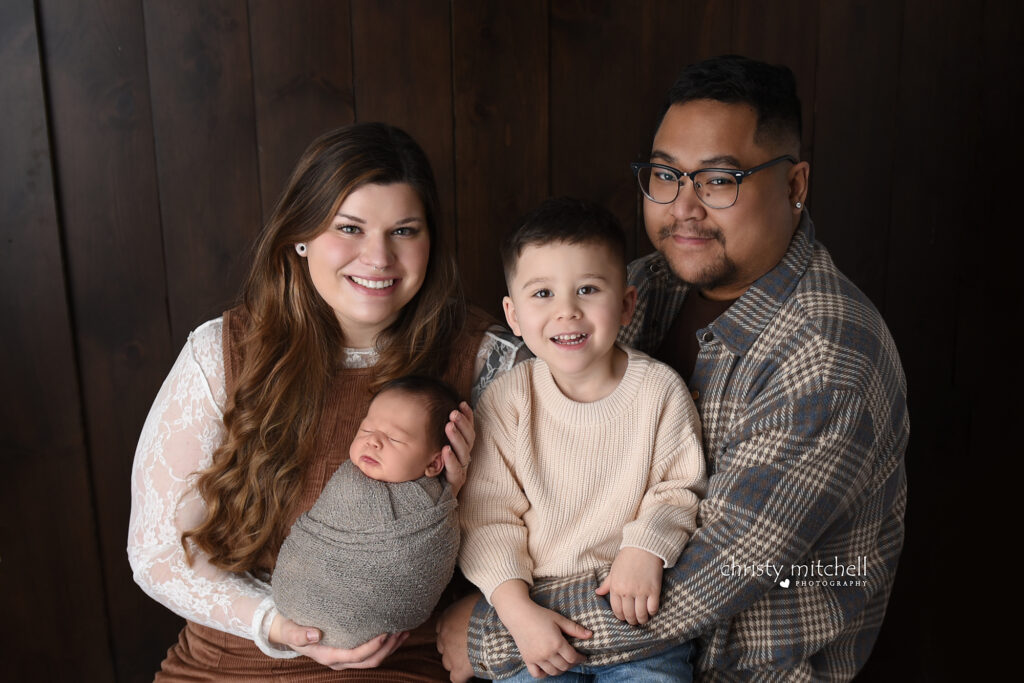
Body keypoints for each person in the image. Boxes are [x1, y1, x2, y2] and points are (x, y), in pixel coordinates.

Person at [438, 55, 909, 681]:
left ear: (795, 185)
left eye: (719, 181)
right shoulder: (636, 286)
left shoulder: (827, 360)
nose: (683, 207)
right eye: (665, 175)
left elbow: (705, 582)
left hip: (743, 667)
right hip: (580, 648)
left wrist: (487, 634)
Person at [128, 122, 523, 681]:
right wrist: (277, 627)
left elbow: (549, 530)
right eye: (350, 228)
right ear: (302, 234)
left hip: (398, 662)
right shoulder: (223, 353)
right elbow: (158, 554)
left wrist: (445, 511)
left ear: (430, 242)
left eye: (404, 230)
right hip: (233, 661)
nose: (378, 256)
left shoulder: (484, 360)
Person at [458, 198, 707, 681]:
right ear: (513, 315)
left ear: (627, 304)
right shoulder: (510, 399)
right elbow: (487, 517)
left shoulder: (658, 391)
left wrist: (647, 546)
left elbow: (679, 487)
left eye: (588, 289)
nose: (567, 312)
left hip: (637, 622)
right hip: (537, 620)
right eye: (543, 294)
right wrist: (515, 611)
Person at [273, 376, 464, 650]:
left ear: (434, 463)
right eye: (366, 430)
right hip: (294, 595)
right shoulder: (348, 480)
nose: (373, 441)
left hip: (377, 625)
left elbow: (431, 558)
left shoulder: (433, 506)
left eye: (394, 438)